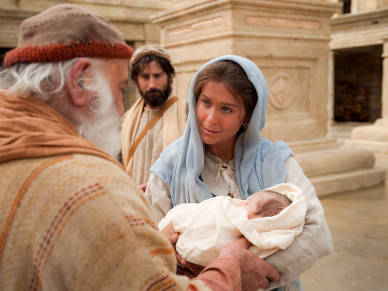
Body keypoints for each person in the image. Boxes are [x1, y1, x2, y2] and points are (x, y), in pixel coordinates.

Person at [0, 5, 280, 290]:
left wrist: (134, 238)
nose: (122, 109)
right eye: (119, 88)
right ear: (80, 81)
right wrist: (231, 269)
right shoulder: (90, 185)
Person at [145, 56, 334, 290]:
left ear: (247, 117)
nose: (211, 118)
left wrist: (248, 271)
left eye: (226, 108)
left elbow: (317, 233)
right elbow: (151, 244)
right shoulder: (170, 165)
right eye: (205, 102)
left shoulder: (274, 161)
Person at [159, 183, 306, 267]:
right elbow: (211, 209)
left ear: (263, 221)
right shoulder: (170, 160)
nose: (241, 204)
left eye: (248, 204)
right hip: (176, 249)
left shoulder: (255, 232)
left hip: (200, 263)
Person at [121, 45, 187, 186]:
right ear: (136, 80)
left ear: (169, 76)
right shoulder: (127, 120)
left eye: (157, 76)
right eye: (145, 77)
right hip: (137, 201)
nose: (152, 84)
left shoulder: (186, 114)